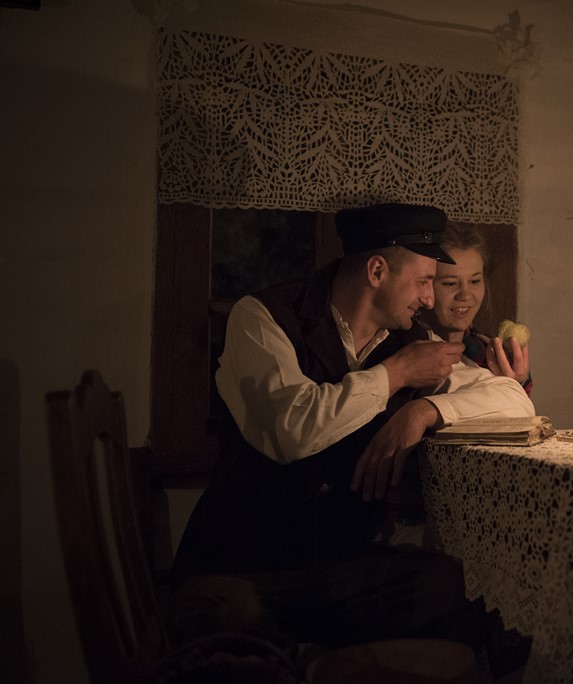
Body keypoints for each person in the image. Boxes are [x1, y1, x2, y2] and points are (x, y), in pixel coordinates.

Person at [169, 202, 535, 661]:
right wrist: (394, 375)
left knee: (472, 590)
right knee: (221, 613)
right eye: (424, 281)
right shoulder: (263, 318)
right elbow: (292, 430)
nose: (429, 299)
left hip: (342, 568)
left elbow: (513, 401)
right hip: (246, 563)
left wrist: (424, 409)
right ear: (377, 271)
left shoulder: (411, 341)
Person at [417, 223, 532, 396]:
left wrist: (516, 383)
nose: (465, 295)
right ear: (424, 285)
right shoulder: (407, 350)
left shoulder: (488, 352)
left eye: (475, 281)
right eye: (450, 283)